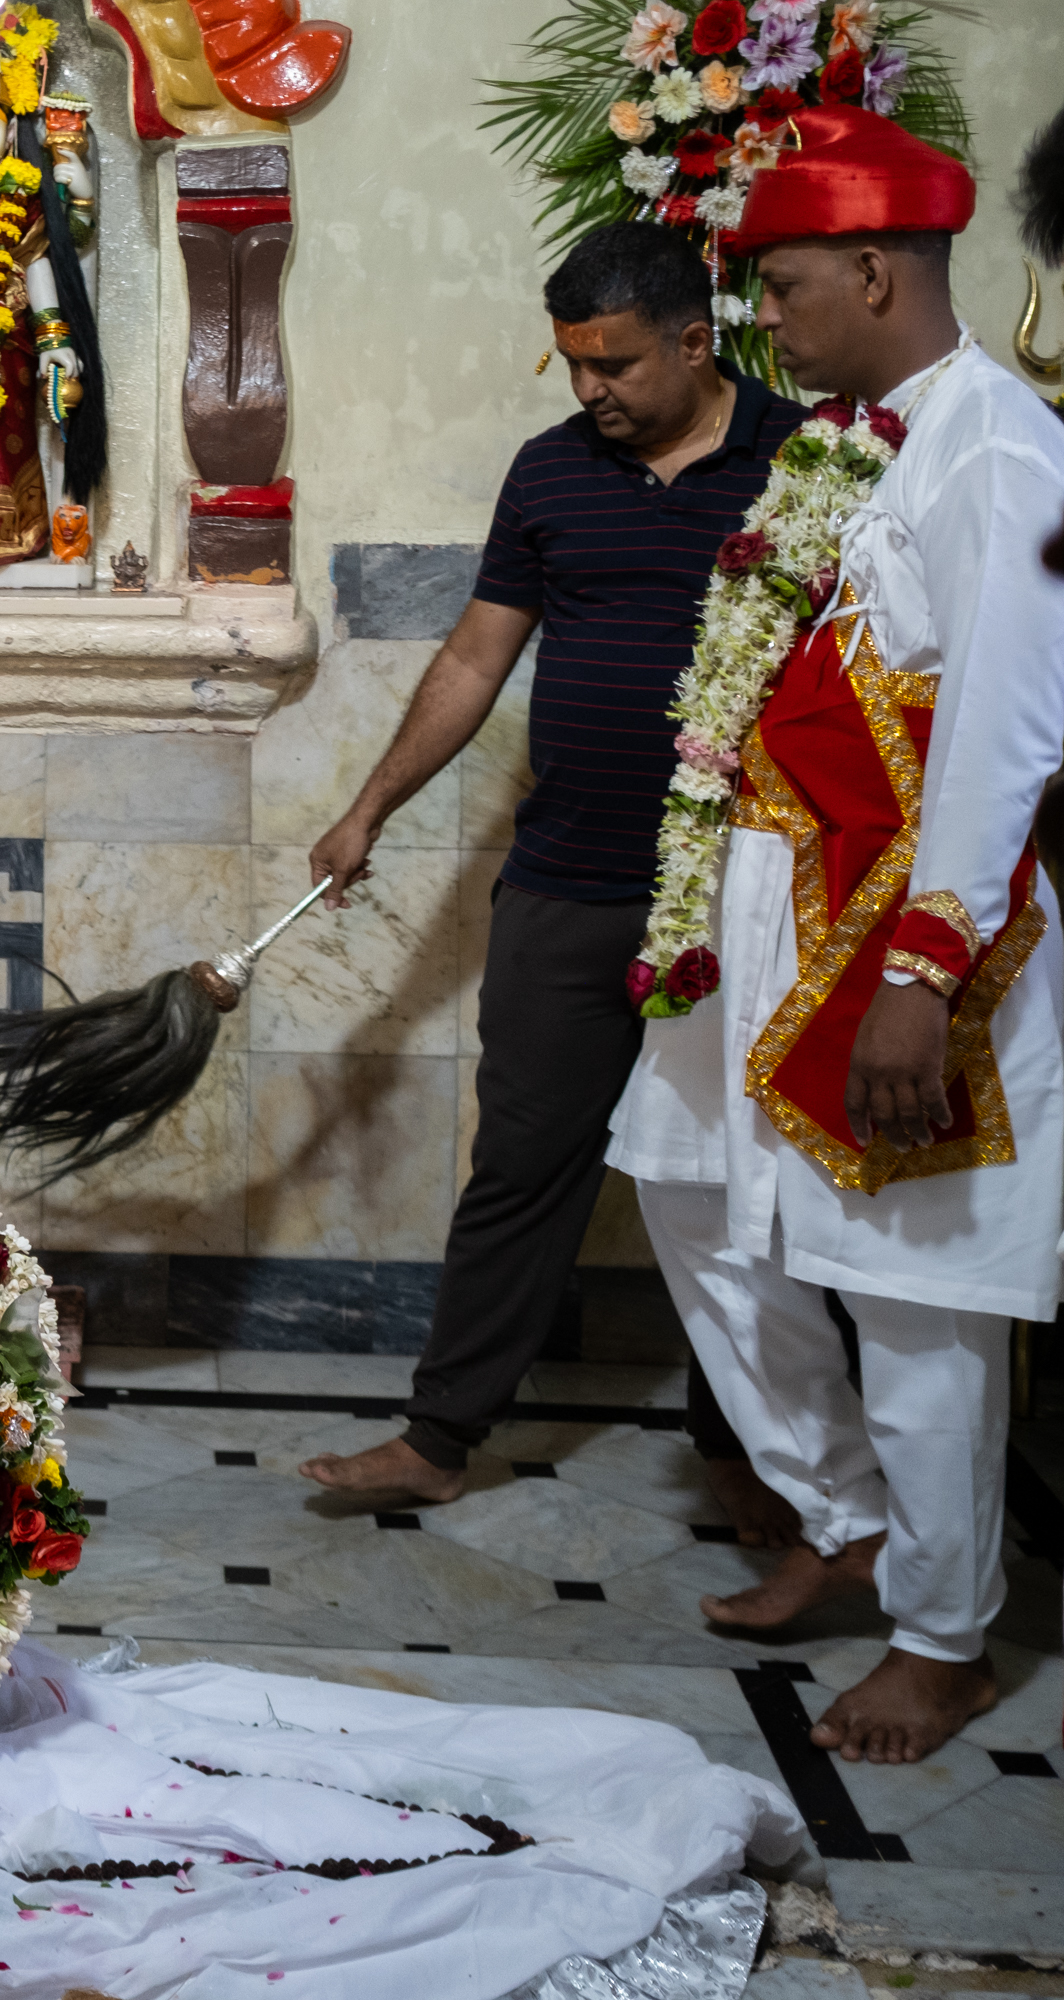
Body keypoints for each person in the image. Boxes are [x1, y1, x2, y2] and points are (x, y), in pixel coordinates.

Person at [610, 107, 1064, 1765]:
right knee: (686, 1183)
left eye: (785, 286)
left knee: (917, 1291)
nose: (763, 321)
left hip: (910, 937)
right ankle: (846, 1513)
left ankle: (944, 1641)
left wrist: (923, 974)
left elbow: (1010, 727)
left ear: (877, 272)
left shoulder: (996, 448)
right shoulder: (855, 438)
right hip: (777, 916)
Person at [296, 223, 807, 1518]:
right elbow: (477, 655)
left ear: (696, 340)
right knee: (521, 1164)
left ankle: (751, 1450)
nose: (590, 389)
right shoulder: (551, 471)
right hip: (569, 882)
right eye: (573, 363)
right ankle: (439, 1435)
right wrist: (368, 808)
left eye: (615, 364)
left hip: (748, 893)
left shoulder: (805, 460)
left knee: (748, 1181)